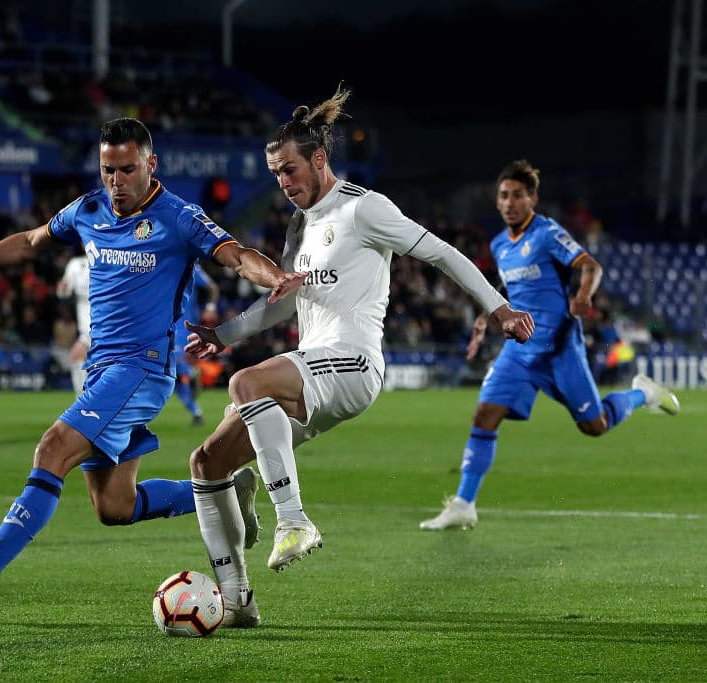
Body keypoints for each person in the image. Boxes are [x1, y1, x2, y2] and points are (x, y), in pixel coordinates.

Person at [0, 117, 306, 620]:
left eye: (127, 169)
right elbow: (28, 242)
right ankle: (224, 488)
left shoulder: (178, 217)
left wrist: (275, 276)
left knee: (52, 448)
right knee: (114, 507)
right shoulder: (87, 209)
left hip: (142, 370)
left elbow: (236, 256)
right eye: (108, 169)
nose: (116, 181)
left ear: (150, 165)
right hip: (102, 372)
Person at [183, 88, 535, 626]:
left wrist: (498, 307)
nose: (283, 181)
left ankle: (294, 520)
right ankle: (236, 602)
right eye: (276, 172)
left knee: (244, 386)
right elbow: (283, 305)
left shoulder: (363, 208)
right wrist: (224, 333)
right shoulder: (299, 226)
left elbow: (441, 252)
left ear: (319, 159)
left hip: (352, 363)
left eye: (290, 169)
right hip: (311, 365)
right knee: (206, 464)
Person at [419, 160, 680, 531]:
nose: (510, 202)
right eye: (504, 196)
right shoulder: (499, 245)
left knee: (596, 425)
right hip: (520, 349)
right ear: (497, 202)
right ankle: (464, 503)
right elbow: (510, 290)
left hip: (560, 347)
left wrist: (584, 297)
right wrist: (484, 318)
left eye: (518, 196)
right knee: (484, 415)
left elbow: (590, 266)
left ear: (533, 199)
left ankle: (642, 394)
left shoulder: (546, 233)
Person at [173, 262, 219, 426]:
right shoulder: (159, 264)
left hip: (184, 326)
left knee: (175, 364)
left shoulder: (191, 268)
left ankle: (191, 373)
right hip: (163, 324)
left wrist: (210, 307)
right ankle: (196, 412)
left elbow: (213, 287)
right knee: (174, 377)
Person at [55, 252, 90, 395]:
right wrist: (62, 288)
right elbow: (63, 292)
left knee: (77, 356)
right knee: (79, 358)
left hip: (104, 322)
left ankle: (83, 405)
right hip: (86, 325)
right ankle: (85, 404)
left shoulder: (111, 258)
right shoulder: (76, 264)